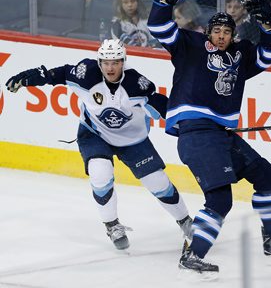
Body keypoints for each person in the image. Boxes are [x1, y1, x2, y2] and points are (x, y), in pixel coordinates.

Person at [147, 0, 271, 279]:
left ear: (233, 34)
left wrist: (269, 25)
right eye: (216, 31)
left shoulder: (241, 54)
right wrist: (166, 0)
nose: (221, 35)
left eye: (226, 31)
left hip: (220, 135)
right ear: (208, 32)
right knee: (220, 199)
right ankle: (193, 255)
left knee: (265, 174)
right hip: (196, 134)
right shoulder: (189, 45)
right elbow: (158, 26)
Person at [4, 39, 193, 250]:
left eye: (115, 62)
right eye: (105, 62)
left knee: (158, 182)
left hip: (132, 140)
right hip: (94, 133)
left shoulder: (137, 85)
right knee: (100, 173)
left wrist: (193, 125)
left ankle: (185, 221)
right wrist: (33, 77)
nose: (110, 68)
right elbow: (61, 74)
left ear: (123, 62)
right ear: (99, 62)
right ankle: (112, 225)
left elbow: (167, 109)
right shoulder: (87, 74)